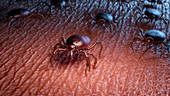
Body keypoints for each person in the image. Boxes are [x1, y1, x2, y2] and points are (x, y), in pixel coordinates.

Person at [0, 0, 169, 95]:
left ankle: (91, 66)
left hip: (83, 41)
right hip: (77, 40)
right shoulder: (65, 45)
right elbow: (59, 47)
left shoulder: (83, 48)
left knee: (90, 56)